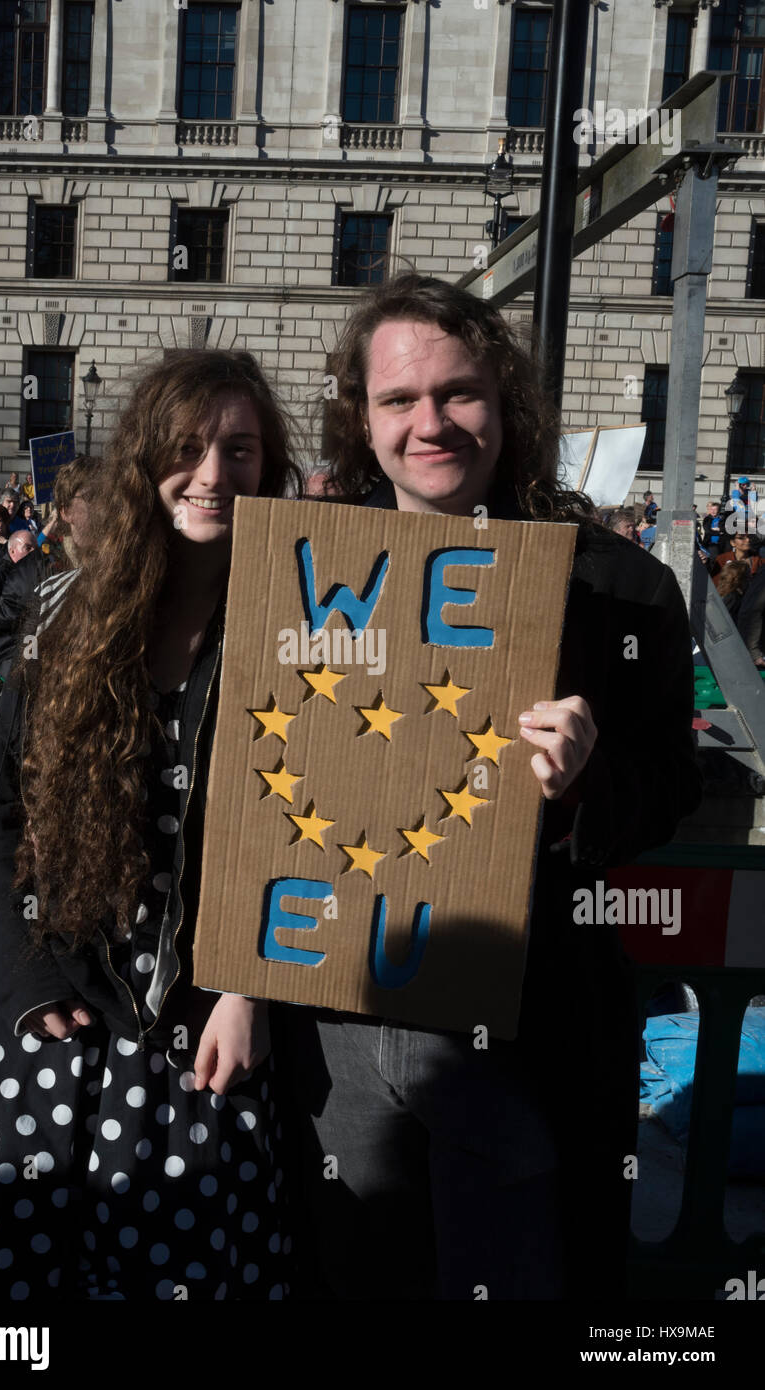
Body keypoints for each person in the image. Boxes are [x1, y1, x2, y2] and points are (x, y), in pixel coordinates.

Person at [276, 274, 702, 1302]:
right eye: (398, 400)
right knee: (354, 1275)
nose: (432, 422)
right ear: (362, 420)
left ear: (504, 403)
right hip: (336, 1015)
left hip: (532, 1023)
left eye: (460, 393)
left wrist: (587, 785)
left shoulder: (622, 585)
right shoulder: (300, 572)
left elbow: (671, 790)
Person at [0, 349, 301, 1301]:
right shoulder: (62, 610)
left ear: (270, 469)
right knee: (10, 1295)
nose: (211, 474)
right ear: (141, 461)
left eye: (239, 451)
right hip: (42, 1001)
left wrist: (253, 985)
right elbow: (2, 814)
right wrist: (26, 979)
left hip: (201, 1024)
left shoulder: (308, 625)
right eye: (186, 446)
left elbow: (316, 830)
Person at [0, 530, 40, 676]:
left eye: (36, 548)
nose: (34, 552)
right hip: (6, 652)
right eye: (28, 548)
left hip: (29, 648)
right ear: (12, 550)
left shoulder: (33, 574)